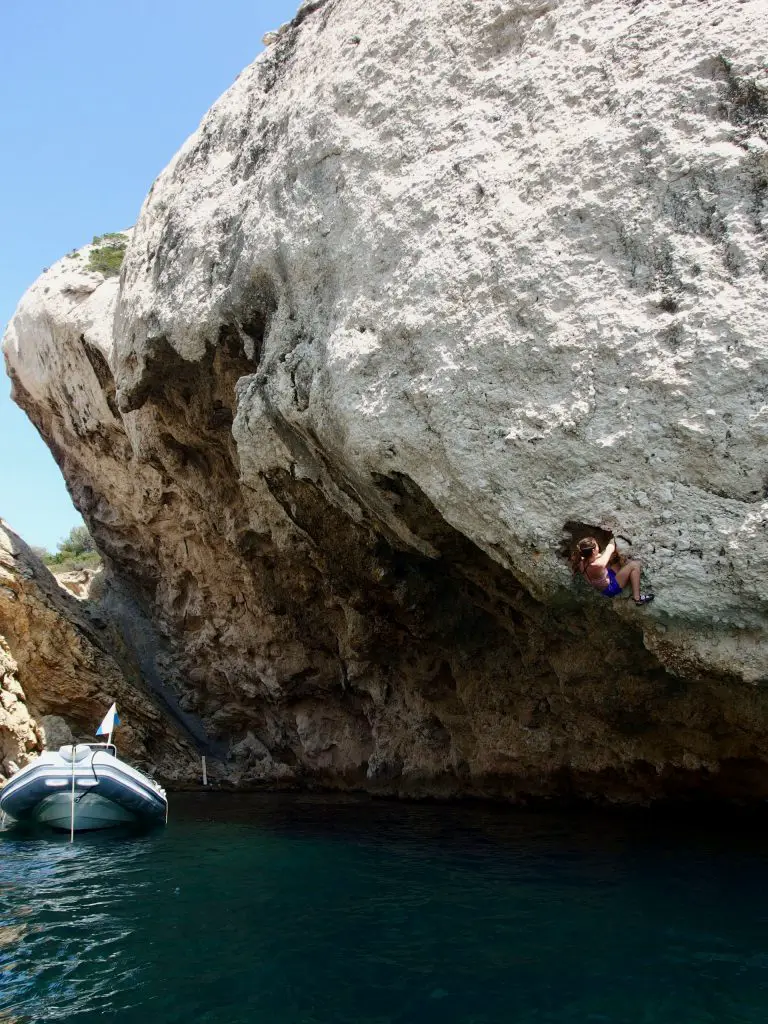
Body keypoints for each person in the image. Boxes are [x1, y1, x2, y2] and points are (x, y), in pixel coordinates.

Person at [573, 536, 654, 606]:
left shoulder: (582, 560)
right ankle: (637, 598)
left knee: (619, 561)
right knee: (635, 565)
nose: (598, 545)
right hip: (610, 588)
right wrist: (614, 538)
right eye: (597, 544)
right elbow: (610, 549)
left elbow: (601, 556)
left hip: (604, 579)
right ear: (593, 551)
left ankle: (627, 570)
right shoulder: (598, 564)